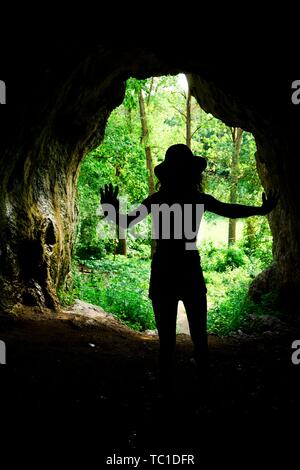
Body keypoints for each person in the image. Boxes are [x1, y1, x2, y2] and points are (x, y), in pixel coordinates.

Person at [100, 144, 278, 396]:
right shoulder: (198, 199)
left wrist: (110, 208)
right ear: (193, 173)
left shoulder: (157, 199)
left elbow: (126, 222)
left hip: (163, 271)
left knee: (167, 344)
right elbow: (230, 209)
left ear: (166, 174)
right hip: (189, 270)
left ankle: (166, 395)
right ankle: (204, 390)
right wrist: (261, 210)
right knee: (199, 338)